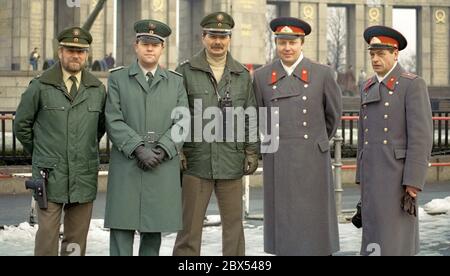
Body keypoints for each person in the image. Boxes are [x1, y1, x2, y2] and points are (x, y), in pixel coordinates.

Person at [252, 17, 342, 256]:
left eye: (292, 42)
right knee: (285, 230)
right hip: (279, 160)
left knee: (315, 226)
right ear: (276, 44)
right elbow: (260, 117)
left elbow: (332, 118)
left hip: (313, 158)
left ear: (302, 43)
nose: (287, 48)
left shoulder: (322, 74)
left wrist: (314, 141)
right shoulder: (261, 77)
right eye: (282, 42)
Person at [172, 12, 259, 256]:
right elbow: (176, 116)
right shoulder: (185, 72)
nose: (218, 41)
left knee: (234, 229)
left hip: (231, 162)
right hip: (196, 162)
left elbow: (249, 116)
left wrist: (252, 150)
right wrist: (176, 149)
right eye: (213, 36)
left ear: (229, 39)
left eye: (223, 36)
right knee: (189, 229)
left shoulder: (241, 75)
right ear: (203, 38)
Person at [14, 27, 106, 256]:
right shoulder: (40, 86)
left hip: (83, 175)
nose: (76, 56)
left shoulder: (97, 89)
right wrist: (42, 152)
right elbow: (21, 126)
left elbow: (99, 128)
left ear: (87, 54)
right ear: (60, 52)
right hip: (49, 176)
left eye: (81, 51)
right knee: (47, 238)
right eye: (71, 50)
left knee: (76, 241)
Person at [104, 19, 189, 256]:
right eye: (145, 43)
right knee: (122, 230)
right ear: (136, 46)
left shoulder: (176, 81)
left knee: (154, 231)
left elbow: (182, 120)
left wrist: (162, 149)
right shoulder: (118, 79)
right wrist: (138, 147)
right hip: (128, 164)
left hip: (160, 165)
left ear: (162, 48)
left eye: (155, 44)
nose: (149, 48)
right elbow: (113, 118)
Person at [356, 26, 433, 256]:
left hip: (398, 178)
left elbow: (421, 137)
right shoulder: (367, 86)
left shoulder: (412, 84)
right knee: (373, 236)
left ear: (395, 53)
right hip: (372, 175)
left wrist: (413, 182)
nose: (375, 59)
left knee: (395, 239)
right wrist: (361, 174)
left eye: (381, 54)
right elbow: (363, 136)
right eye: (372, 54)